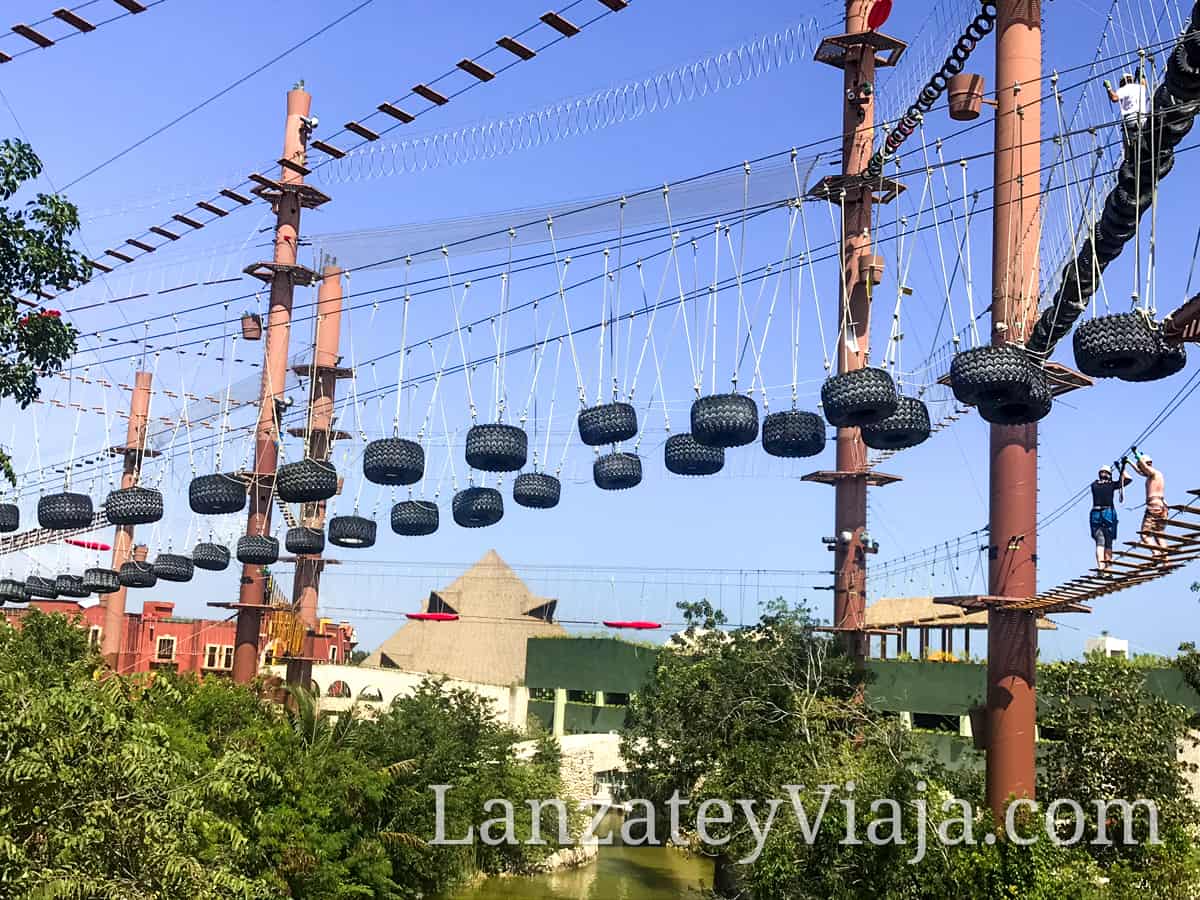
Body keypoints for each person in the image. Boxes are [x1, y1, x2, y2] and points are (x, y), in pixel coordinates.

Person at [1090, 461, 1132, 572]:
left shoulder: (1094, 485)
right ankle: (1108, 568)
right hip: (1108, 513)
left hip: (1095, 513)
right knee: (1108, 542)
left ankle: (1101, 567)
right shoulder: (1111, 485)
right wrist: (1120, 468)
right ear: (1109, 474)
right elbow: (1128, 479)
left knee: (1099, 542)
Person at [1131, 449, 1169, 562]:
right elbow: (1140, 471)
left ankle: (1156, 553)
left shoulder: (1153, 473)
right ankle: (1166, 560)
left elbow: (1144, 468)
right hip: (1162, 508)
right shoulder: (1156, 475)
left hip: (1154, 507)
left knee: (1145, 535)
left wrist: (1137, 455)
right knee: (1159, 535)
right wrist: (1129, 462)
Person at [1105, 71, 1149, 155]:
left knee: (1129, 151)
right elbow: (1144, 83)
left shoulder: (1124, 89)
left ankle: (1128, 160)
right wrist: (1141, 75)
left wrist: (1109, 88)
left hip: (1131, 122)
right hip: (1143, 121)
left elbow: (1114, 98)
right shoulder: (1140, 87)